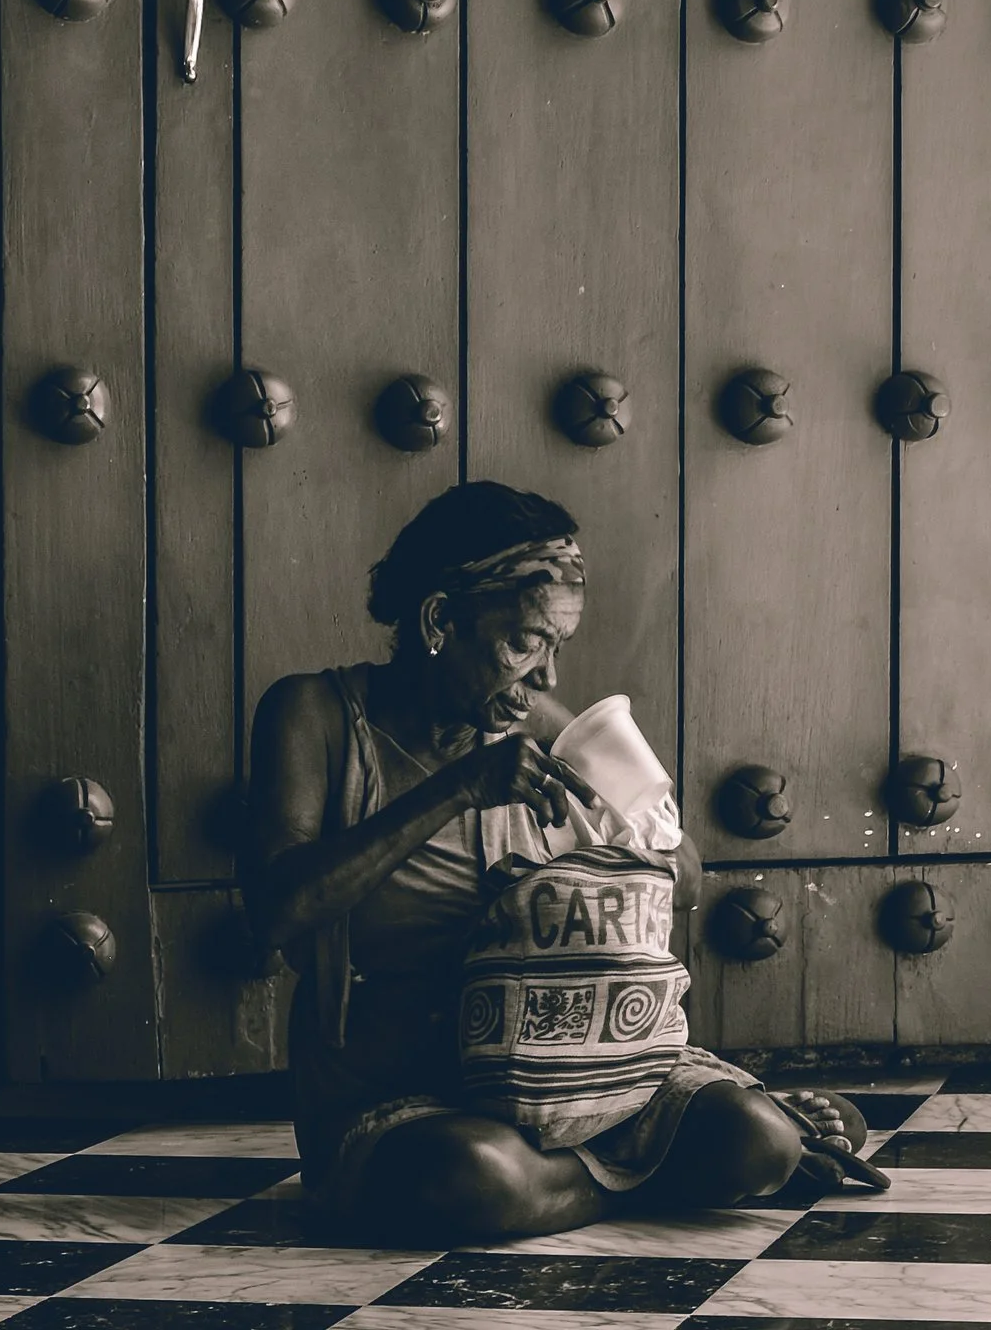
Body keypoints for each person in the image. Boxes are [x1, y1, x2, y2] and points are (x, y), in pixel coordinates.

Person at [243, 479, 875, 1243]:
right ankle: (657, 1178)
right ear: (440, 620)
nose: (545, 677)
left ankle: (629, 1170)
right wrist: (455, 792)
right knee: (472, 1175)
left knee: (756, 1138)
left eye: (557, 647)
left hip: (578, 1082)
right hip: (403, 1098)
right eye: (524, 643)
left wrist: (634, 856)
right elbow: (277, 911)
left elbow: (690, 875)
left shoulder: (545, 726)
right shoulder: (312, 714)